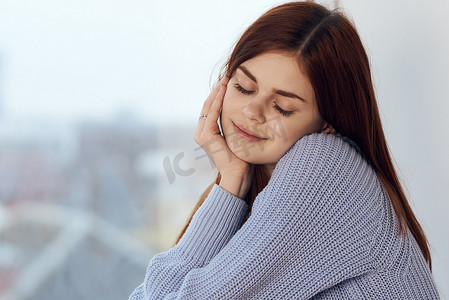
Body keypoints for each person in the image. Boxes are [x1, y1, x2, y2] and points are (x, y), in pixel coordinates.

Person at [129, 2, 440, 299]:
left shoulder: (324, 168)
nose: (253, 111)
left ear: (328, 122)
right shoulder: (266, 187)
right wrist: (230, 184)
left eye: (283, 107)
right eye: (243, 87)